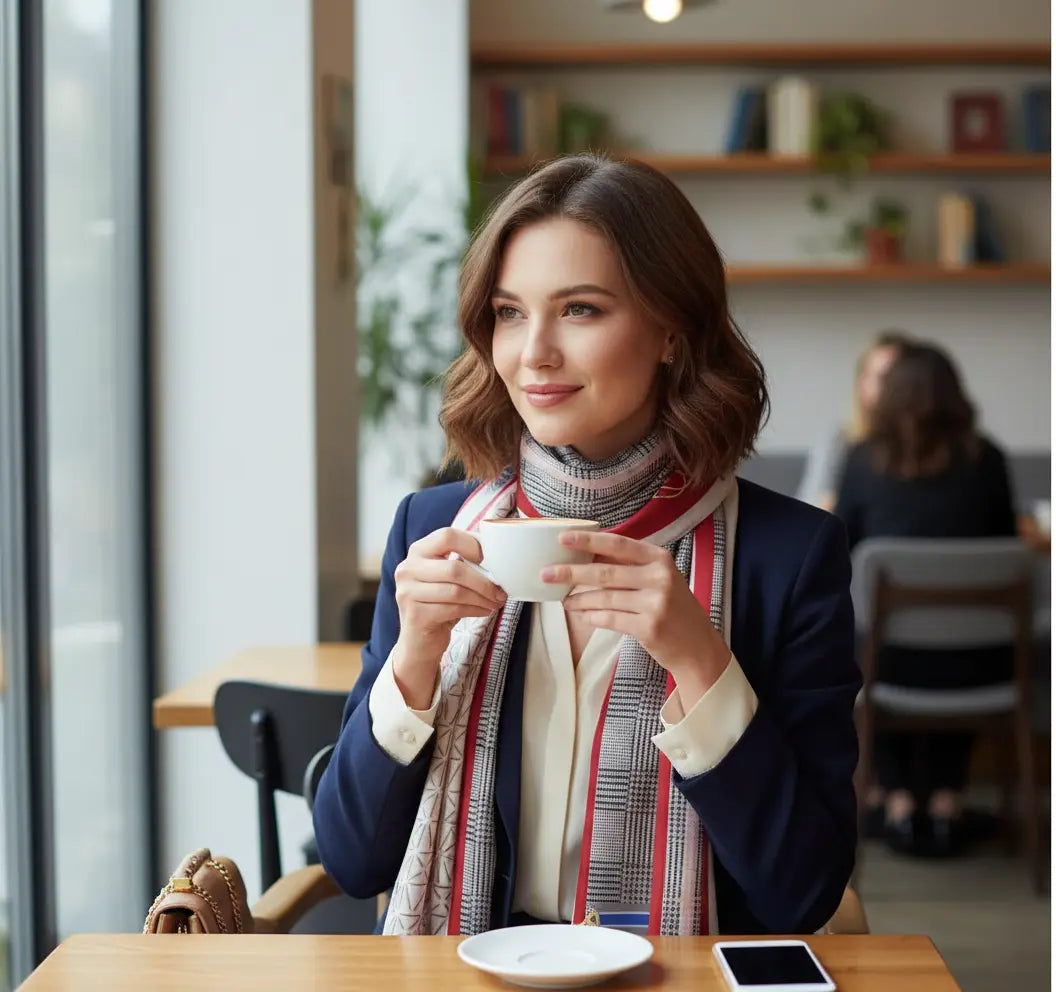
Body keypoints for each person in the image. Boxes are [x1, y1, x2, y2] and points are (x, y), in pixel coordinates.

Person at [314, 154, 860, 936]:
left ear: (672, 329)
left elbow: (801, 894)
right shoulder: (433, 531)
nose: (533, 352)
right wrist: (414, 664)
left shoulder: (787, 559)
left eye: (580, 310)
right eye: (508, 312)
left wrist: (701, 663)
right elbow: (351, 860)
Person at [834, 342, 1017, 857]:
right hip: (982, 666)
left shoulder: (863, 460)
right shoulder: (989, 458)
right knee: (955, 645)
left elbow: (840, 549)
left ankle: (895, 802)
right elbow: (1003, 548)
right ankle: (943, 803)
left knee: (872, 645)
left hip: (886, 665)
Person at [797, 331, 913, 510]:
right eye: (882, 377)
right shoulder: (841, 442)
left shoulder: (945, 451)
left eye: (897, 378)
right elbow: (809, 510)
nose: (890, 387)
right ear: (862, 384)